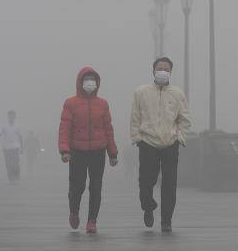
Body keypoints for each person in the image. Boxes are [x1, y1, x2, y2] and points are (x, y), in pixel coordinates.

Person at [131, 57, 191, 232]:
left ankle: (166, 220)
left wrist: (180, 138)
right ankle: (148, 206)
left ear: (171, 72)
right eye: (160, 68)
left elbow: (184, 119)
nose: (163, 72)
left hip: (170, 144)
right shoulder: (141, 92)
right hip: (147, 143)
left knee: (169, 184)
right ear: (153, 71)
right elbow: (135, 117)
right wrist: (137, 138)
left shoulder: (178, 94)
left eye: (166, 69)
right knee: (146, 181)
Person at [58, 67, 118, 234]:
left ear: (97, 83)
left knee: (96, 186)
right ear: (80, 82)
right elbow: (64, 128)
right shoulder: (70, 103)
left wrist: (112, 153)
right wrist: (64, 150)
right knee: (77, 186)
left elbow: (108, 130)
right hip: (77, 151)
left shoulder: (103, 104)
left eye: (92, 79)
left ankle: (92, 221)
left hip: (98, 151)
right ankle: (74, 211)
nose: (90, 82)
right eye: (86, 79)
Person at [0, 110, 23, 183]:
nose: (11, 118)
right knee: (8, 163)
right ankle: (11, 179)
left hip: (15, 147)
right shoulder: (4, 126)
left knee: (16, 163)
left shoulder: (17, 126)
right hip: (6, 147)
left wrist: (22, 148)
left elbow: (20, 137)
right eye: (10, 116)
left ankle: (16, 178)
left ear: (15, 117)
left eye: (13, 116)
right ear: (8, 117)